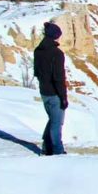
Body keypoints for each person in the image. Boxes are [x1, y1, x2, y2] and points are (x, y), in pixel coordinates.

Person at [33, 21, 68, 155]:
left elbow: (36, 72)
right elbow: (59, 78)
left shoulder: (38, 51)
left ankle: (46, 147)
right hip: (54, 93)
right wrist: (63, 97)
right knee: (57, 123)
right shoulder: (57, 53)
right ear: (55, 36)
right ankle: (57, 151)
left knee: (53, 120)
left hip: (44, 91)